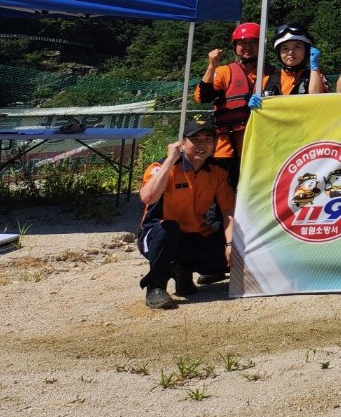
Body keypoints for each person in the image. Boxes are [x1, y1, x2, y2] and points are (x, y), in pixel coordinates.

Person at [137, 117, 235, 309]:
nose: (202, 145)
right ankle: (155, 288)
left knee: (232, 251)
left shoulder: (217, 171)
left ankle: (182, 270)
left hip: (194, 234)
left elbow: (228, 211)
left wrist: (230, 244)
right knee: (168, 229)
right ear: (182, 143)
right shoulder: (162, 167)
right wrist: (170, 160)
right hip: (158, 236)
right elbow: (148, 197)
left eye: (207, 139)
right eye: (195, 139)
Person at [194, 21, 261, 188]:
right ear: (235, 47)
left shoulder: (271, 74)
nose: (248, 47)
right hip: (226, 146)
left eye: (254, 42)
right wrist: (212, 66)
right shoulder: (225, 72)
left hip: (259, 147)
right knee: (223, 192)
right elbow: (203, 96)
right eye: (243, 43)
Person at [257, 25, 329, 98]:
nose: (291, 52)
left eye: (297, 47)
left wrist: (315, 68)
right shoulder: (266, 80)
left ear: (306, 51)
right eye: (285, 48)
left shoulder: (316, 76)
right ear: (279, 53)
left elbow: (318, 99)